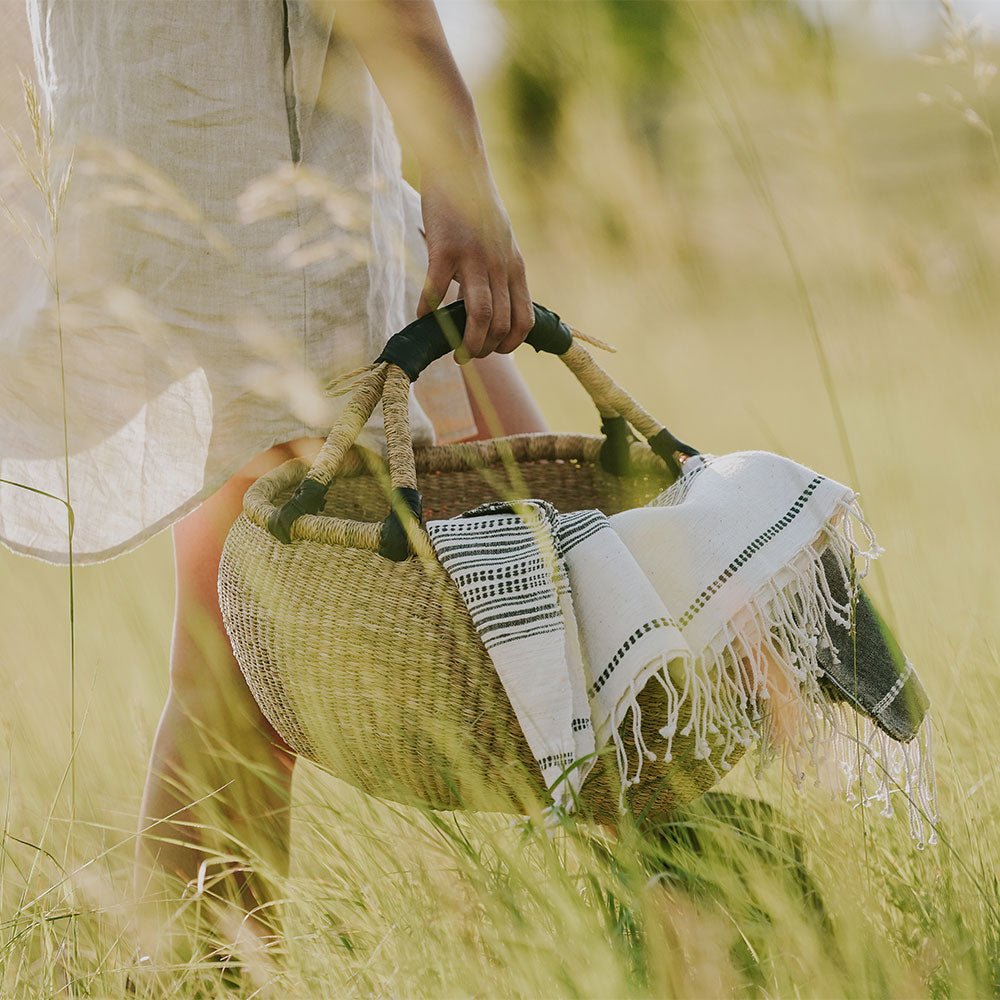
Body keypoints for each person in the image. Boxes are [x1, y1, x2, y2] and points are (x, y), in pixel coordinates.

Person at [1, 0, 545, 955]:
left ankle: (692, 895)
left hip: (177, 154)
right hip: (261, 196)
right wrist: (457, 172)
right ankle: (702, 909)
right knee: (533, 556)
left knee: (229, 660)